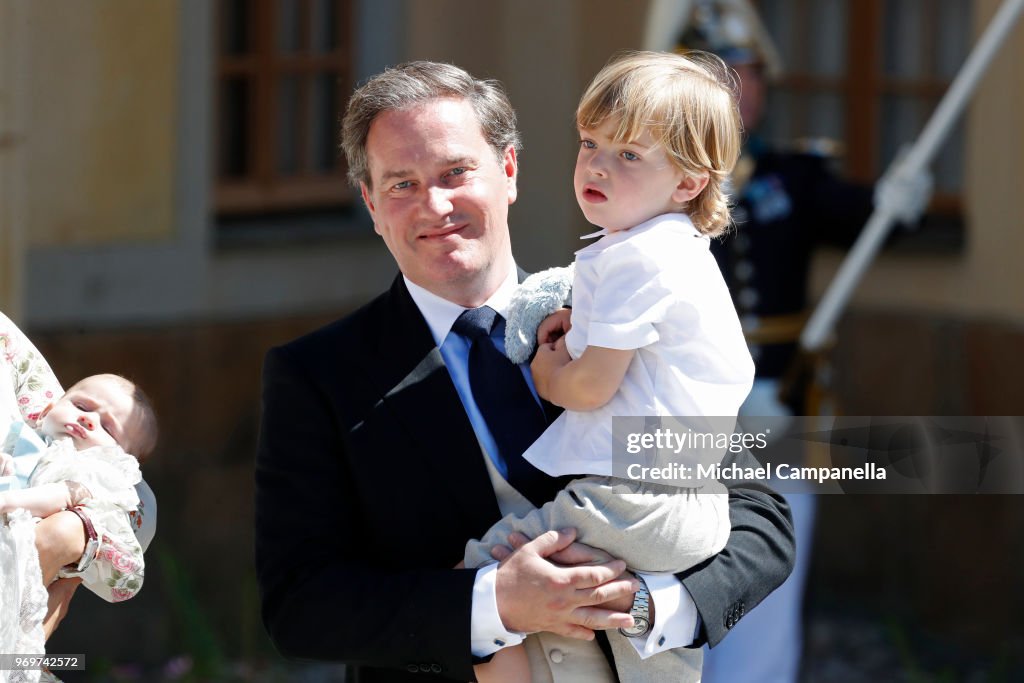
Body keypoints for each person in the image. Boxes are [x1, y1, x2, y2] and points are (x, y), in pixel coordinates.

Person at [254, 60, 795, 683]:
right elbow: (300, 603)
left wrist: (652, 606)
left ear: (508, 170)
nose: (435, 204)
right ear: (371, 205)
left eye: (456, 172)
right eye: (401, 185)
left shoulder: (619, 313)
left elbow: (758, 512)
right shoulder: (316, 375)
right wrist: (493, 604)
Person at [462, 51, 751, 683]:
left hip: (630, 501)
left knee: (482, 583)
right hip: (694, 506)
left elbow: (590, 386)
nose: (596, 164)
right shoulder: (682, 253)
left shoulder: (636, 260)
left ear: (688, 183)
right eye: (590, 142)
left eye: (629, 155)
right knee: (644, 647)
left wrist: (546, 372)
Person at [0, 372, 156, 681]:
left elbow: (61, 495)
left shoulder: (99, 470)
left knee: (19, 645)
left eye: (108, 427)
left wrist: (8, 500)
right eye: (81, 405)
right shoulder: (26, 438)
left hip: (48, 564)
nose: (87, 420)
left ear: (122, 455)